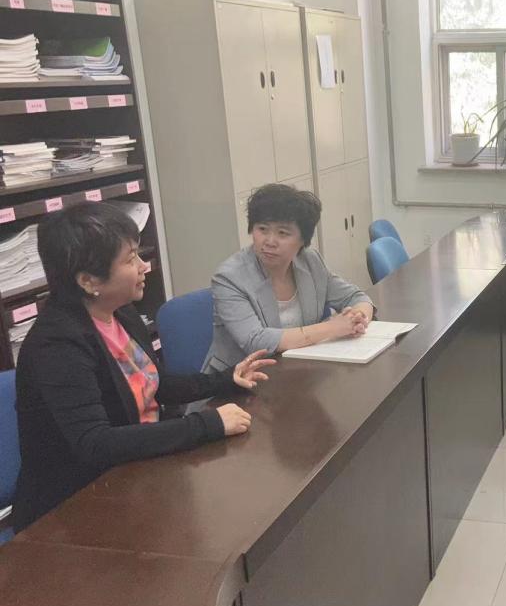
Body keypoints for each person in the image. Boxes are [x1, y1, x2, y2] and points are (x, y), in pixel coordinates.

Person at [12, 204, 272, 532]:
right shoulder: (57, 344)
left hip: (136, 476)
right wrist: (206, 425)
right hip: (74, 511)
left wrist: (224, 379)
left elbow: (154, 383)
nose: (144, 266)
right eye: (130, 259)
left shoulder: (119, 312)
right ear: (88, 281)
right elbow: (96, 443)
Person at [204, 184, 375, 372]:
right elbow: (256, 341)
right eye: (262, 229)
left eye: (282, 233)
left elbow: (356, 297)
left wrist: (358, 319)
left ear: (303, 240)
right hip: (240, 379)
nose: (270, 241)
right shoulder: (230, 277)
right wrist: (333, 328)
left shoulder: (310, 261)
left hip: (297, 370)